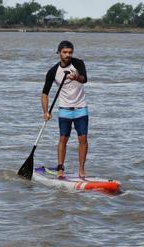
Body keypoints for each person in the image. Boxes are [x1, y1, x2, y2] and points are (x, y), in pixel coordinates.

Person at [42, 40, 89, 179]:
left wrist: (76, 76)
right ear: (59, 53)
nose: (68, 55)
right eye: (65, 52)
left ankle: (81, 170)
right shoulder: (53, 71)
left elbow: (84, 79)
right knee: (63, 138)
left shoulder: (79, 63)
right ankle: (60, 169)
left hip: (81, 107)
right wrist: (45, 111)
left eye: (70, 52)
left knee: (83, 138)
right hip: (64, 109)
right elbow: (45, 93)